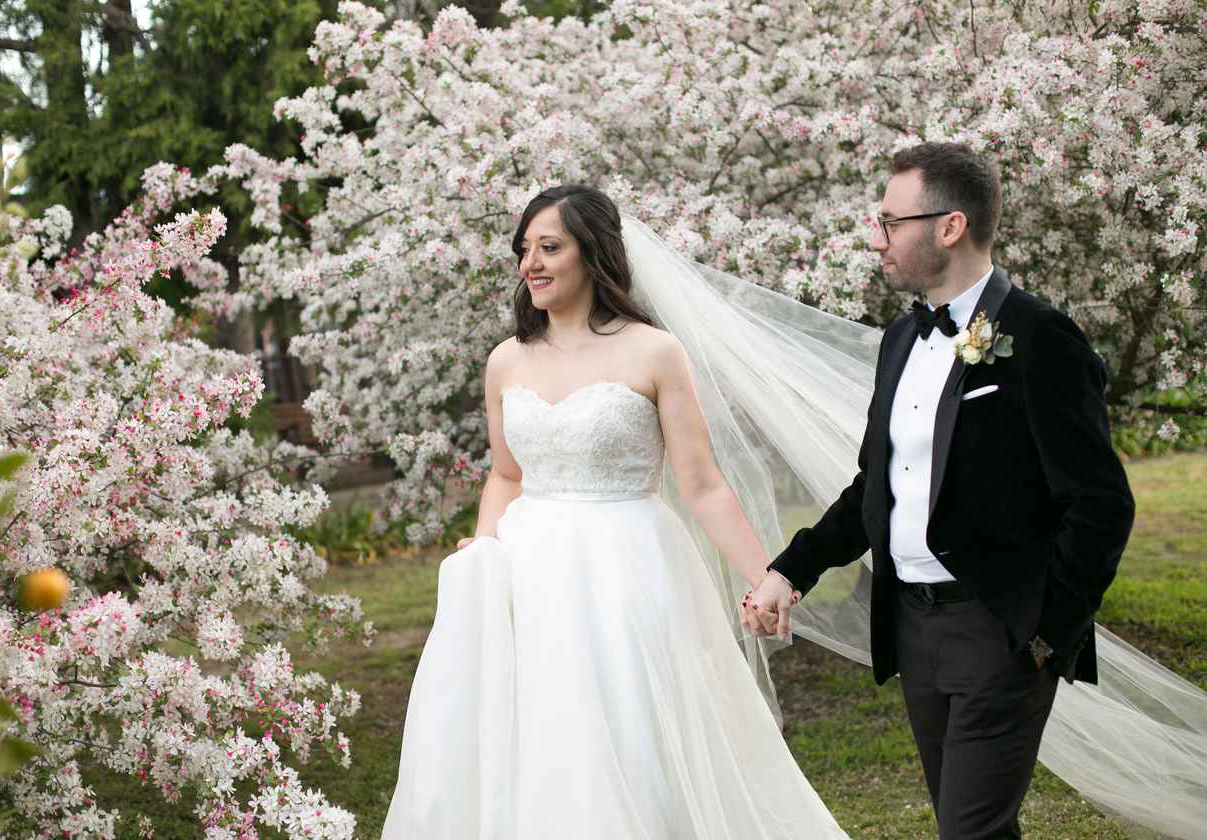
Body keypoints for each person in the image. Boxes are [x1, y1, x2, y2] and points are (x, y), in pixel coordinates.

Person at [381, 185, 849, 838]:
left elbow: (703, 484)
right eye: (524, 250)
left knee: (632, 732)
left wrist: (763, 578)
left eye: (550, 247)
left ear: (592, 254)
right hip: (527, 573)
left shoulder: (653, 352)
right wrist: (485, 546)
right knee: (540, 739)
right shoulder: (506, 360)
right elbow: (507, 474)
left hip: (628, 567)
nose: (531, 264)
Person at [745, 142, 1137, 839]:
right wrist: (791, 568)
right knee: (975, 824)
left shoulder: (1042, 339)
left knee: (970, 832)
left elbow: (1102, 504)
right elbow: (878, 483)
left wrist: (1046, 633)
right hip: (914, 628)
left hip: (999, 628)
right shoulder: (901, 339)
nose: (877, 239)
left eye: (891, 222)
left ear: (949, 227)